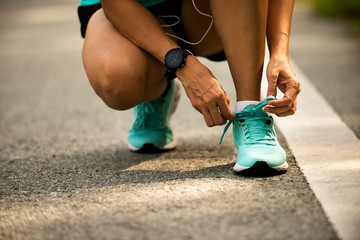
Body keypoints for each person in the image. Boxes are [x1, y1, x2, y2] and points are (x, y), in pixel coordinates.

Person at [77, 0, 300, 172]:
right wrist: (181, 65)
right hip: (127, 12)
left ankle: (251, 113)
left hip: (209, 12)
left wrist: (280, 53)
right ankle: (158, 86)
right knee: (117, 80)